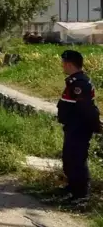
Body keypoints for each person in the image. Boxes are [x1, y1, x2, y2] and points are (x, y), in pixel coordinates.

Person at [57, 50, 101, 203]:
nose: (62, 65)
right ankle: (72, 187)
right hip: (72, 127)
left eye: (63, 63)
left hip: (80, 128)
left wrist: (96, 126)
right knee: (69, 158)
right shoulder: (73, 81)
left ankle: (81, 194)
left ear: (69, 64)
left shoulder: (80, 84)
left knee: (77, 160)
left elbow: (87, 109)